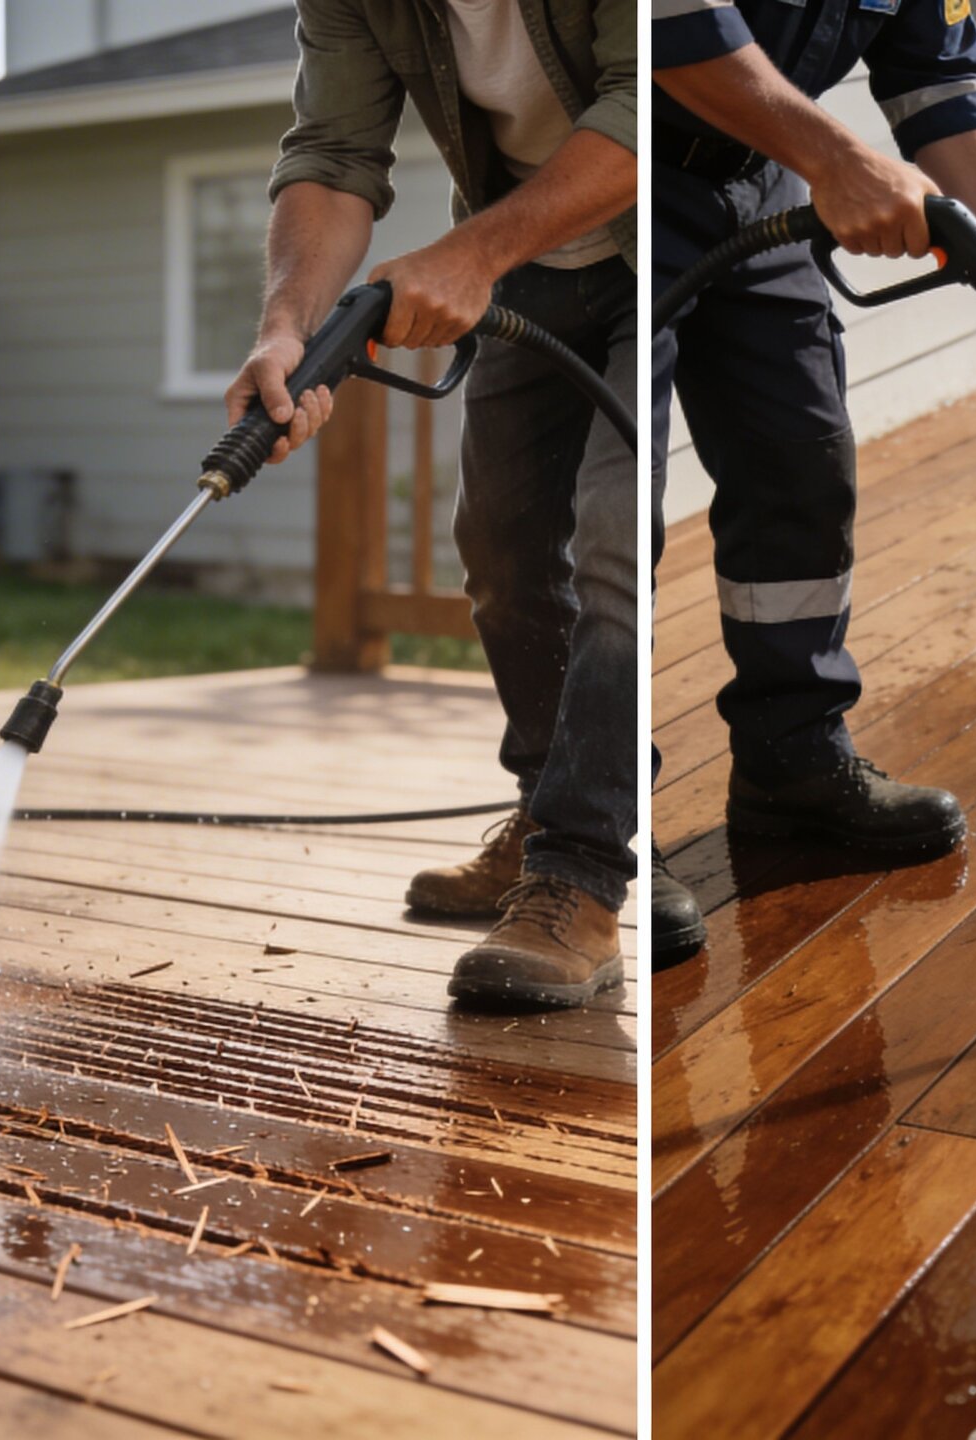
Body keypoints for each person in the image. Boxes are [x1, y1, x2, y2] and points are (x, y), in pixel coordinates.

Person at [647, 0, 976, 964]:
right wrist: (840, 161)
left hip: (764, 180)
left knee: (801, 463)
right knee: (605, 502)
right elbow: (668, 26)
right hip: (616, 177)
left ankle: (792, 753)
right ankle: (595, 829)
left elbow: (941, 82)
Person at [235, 0, 637, 1008]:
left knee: (614, 543)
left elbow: (652, 104)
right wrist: (288, 327)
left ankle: (582, 879)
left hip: (660, 241)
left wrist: (470, 255)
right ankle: (548, 817)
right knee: (500, 550)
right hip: (527, 268)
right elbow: (332, 152)